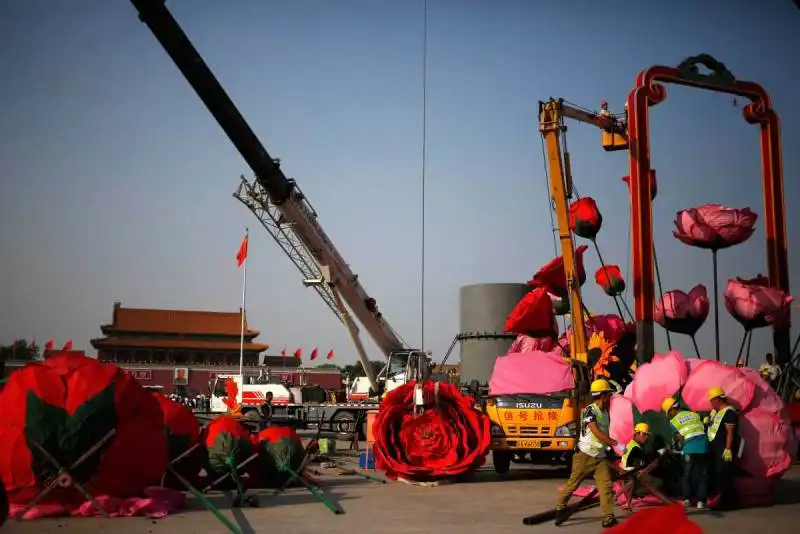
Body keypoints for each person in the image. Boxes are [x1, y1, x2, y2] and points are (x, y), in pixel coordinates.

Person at [555, 379, 618, 528]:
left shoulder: (604, 412)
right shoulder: (590, 410)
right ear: (603, 395)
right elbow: (595, 431)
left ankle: (608, 516)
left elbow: (602, 433)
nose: (610, 397)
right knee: (573, 483)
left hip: (599, 456)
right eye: (608, 394)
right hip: (585, 455)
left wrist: (608, 449)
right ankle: (560, 507)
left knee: (605, 486)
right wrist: (613, 442)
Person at [663, 397, 708, 509]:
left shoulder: (674, 421)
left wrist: (680, 447)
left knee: (687, 474)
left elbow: (681, 437)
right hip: (703, 448)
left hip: (689, 449)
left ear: (671, 409)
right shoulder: (694, 415)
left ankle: (687, 499)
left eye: (669, 413)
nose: (670, 415)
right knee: (702, 475)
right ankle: (701, 501)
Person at [706, 387, 739, 510]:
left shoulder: (729, 412)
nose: (711, 403)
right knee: (717, 475)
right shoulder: (716, 411)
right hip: (714, 449)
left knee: (723, 475)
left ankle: (728, 503)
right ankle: (719, 501)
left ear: (717, 399)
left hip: (723, 449)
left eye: (711, 400)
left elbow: (730, 431)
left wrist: (728, 448)